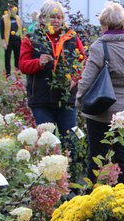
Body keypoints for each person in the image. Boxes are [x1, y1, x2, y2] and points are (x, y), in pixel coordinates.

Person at [77, 2, 124, 184]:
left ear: (105, 25)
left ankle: (95, 200)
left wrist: (78, 100)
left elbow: (87, 79)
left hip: (103, 109)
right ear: (123, 24)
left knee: (97, 157)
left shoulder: (100, 47)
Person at [19, 0, 86, 139]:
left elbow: (83, 63)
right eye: (52, 17)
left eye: (59, 17)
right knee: (47, 142)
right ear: (43, 18)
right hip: (41, 99)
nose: (56, 21)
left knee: (70, 140)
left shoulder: (71, 38)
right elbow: (23, 65)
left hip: (66, 98)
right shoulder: (31, 38)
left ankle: (72, 161)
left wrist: (75, 78)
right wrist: (38, 62)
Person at [1, 5, 22, 76]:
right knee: (7, 57)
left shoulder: (18, 18)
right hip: (8, 41)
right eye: (11, 10)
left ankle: (17, 72)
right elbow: (2, 31)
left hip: (17, 41)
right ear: (8, 10)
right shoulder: (4, 18)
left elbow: (20, 29)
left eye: (13, 10)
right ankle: (8, 73)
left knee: (18, 57)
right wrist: (3, 42)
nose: (12, 11)